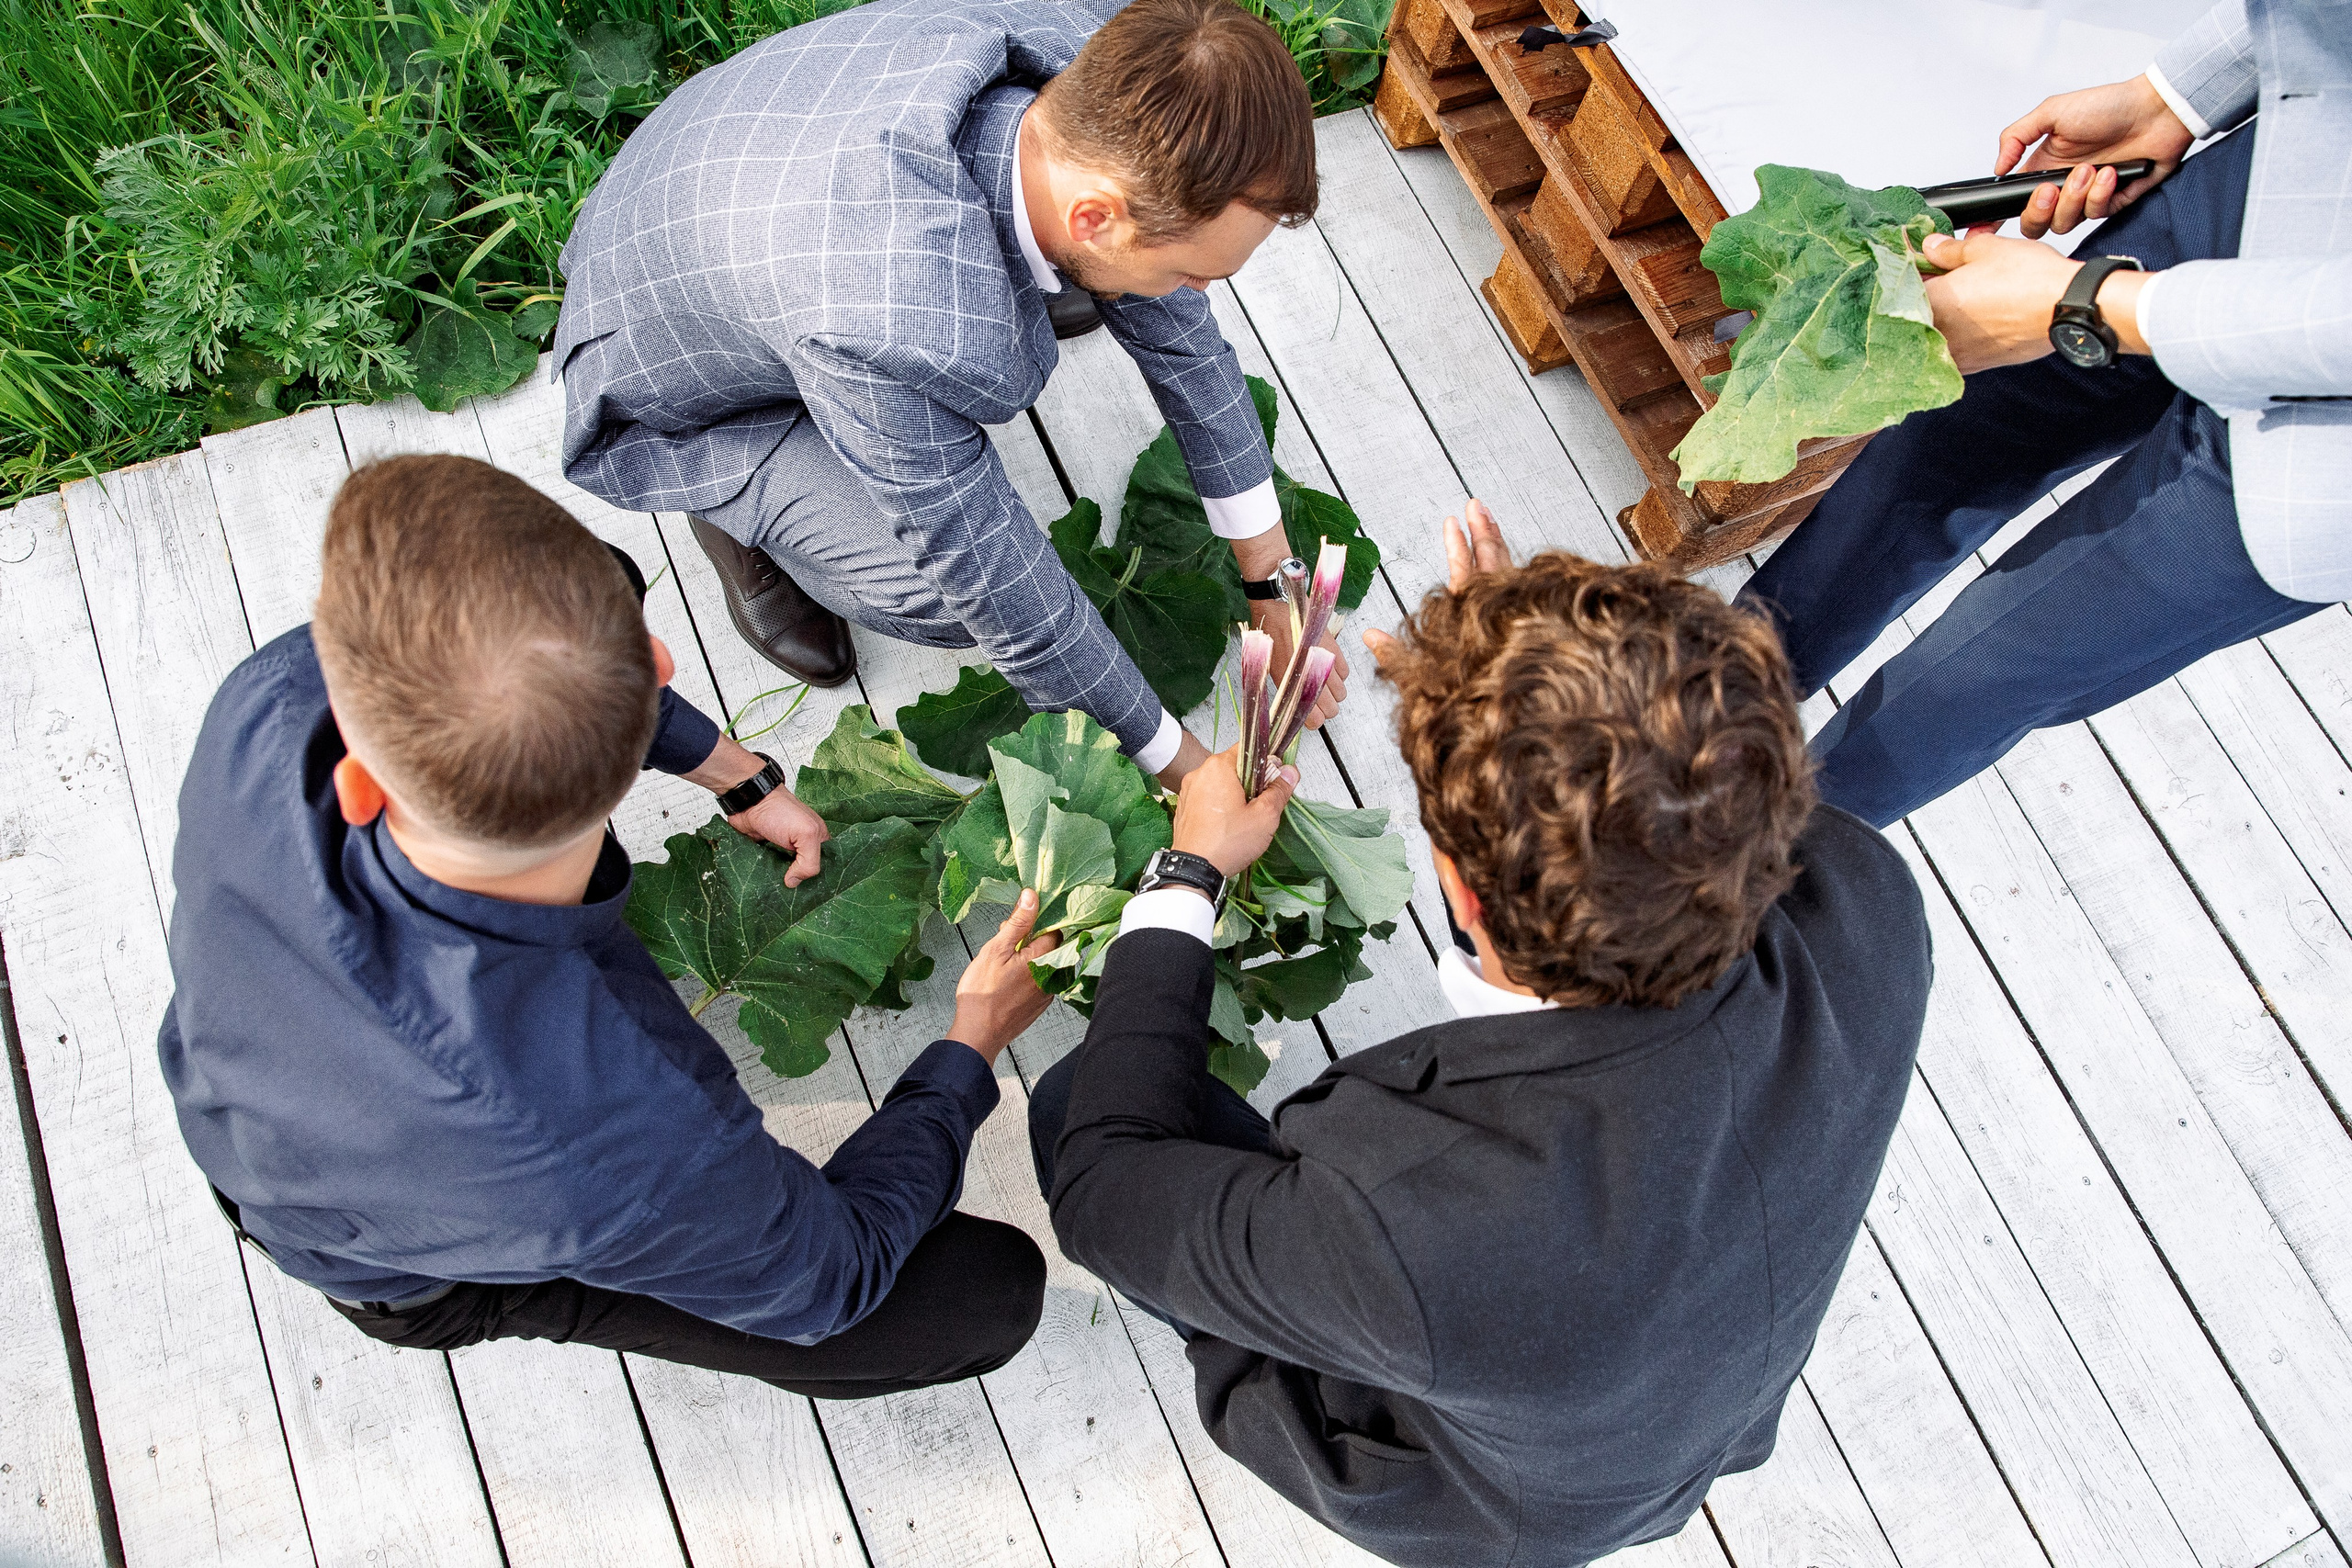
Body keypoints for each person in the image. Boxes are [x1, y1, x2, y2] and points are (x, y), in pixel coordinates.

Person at [1029, 502, 1935, 1566]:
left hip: (1488, 1501)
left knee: (1071, 1105)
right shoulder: (1867, 893)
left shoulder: (1402, 1222)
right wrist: (1533, 672)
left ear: (1456, 887)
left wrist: (1189, 877)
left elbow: (1103, 1193)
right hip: (1695, 1407)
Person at [160, 454, 1060, 1399]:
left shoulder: (267, 704)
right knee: (980, 1294)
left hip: (261, 1091)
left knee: (570, 590)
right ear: (661, 662)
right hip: (403, 1265)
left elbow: (472, 664)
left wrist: (734, 773)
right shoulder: (607, 1135)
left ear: (360, 776)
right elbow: (826, 1283)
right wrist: (969, 1047)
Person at [553, 0, 1347, 789]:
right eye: (1192, 271)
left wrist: (1274, 582)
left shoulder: (1122, 58)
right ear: (1094, 216)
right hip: (671, 377)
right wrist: (1184, 766)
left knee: (1126, 288)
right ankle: (733, 511)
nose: (1198, 292)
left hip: (738, 148)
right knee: (939, 593)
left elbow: (1187, 344)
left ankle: (1052, 263)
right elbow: (997, 581)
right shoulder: (883, 320)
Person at [1739, 0, 2349, 828]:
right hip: (2291, 174)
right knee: (1939, 450)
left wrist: (2086, 303)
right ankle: (1636, 747)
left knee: (1973, 676)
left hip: (2320, 458)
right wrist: (2176, 95)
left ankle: (1695, 907)